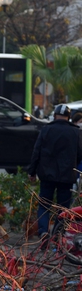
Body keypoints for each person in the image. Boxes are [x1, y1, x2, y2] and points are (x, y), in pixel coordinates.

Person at [28, 104, 82, 244]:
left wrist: (32, 172)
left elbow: (36, 152)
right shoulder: (76, 132)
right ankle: (58, 235)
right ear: (69, 117)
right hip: (67, 177)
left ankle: (44, 233)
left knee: (44, 206)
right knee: (63, 208)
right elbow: (80, 154)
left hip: (47, 176)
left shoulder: (46, 129)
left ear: (55, 115)